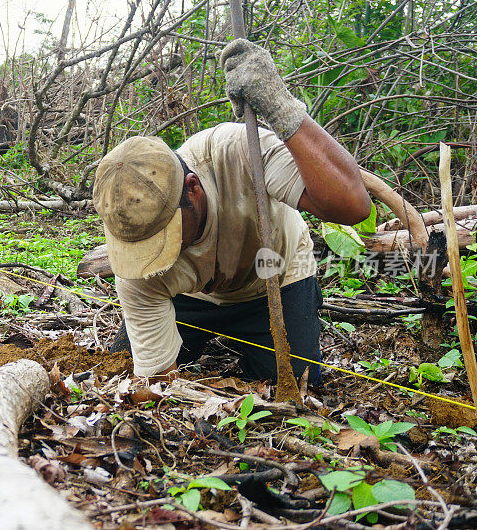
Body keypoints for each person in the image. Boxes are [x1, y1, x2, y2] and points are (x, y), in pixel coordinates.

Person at [93, 39, 372, 383]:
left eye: (166, 235)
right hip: (190, 297)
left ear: (192, 189)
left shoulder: (238, 151)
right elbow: (156, 382)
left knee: (295, 382)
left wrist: (282, 109)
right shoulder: (135, 261)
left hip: (275, 277)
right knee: (120, 368)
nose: (159, 252)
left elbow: (353, 206)